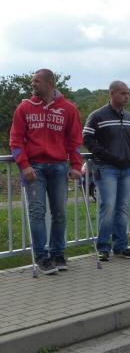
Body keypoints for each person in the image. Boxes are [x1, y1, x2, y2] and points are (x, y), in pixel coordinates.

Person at [9, 69, 83, 275]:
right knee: (37, 212)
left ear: (50, 83)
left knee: (60, 212)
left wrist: (76, 166)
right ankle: (41, 257)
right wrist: (24, 165)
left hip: (59, 166)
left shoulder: (68, 109)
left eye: (37, 81)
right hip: (34, 167)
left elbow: (75, 141)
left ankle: (58, 253)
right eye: (32, 80)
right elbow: (15, 140)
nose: (33, 84)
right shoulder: (24, 108)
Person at [82, 80, 130, 261]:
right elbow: (87, 139)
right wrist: (107, 156)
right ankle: (103, 247)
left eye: (128, 93)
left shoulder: (129, 117)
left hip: (126, 168)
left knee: (123, 207)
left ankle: (120, 246)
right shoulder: (97, 116)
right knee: (107, 206)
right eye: (123, 93)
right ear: (112, 94)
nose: (126, 96)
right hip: (106, 168)